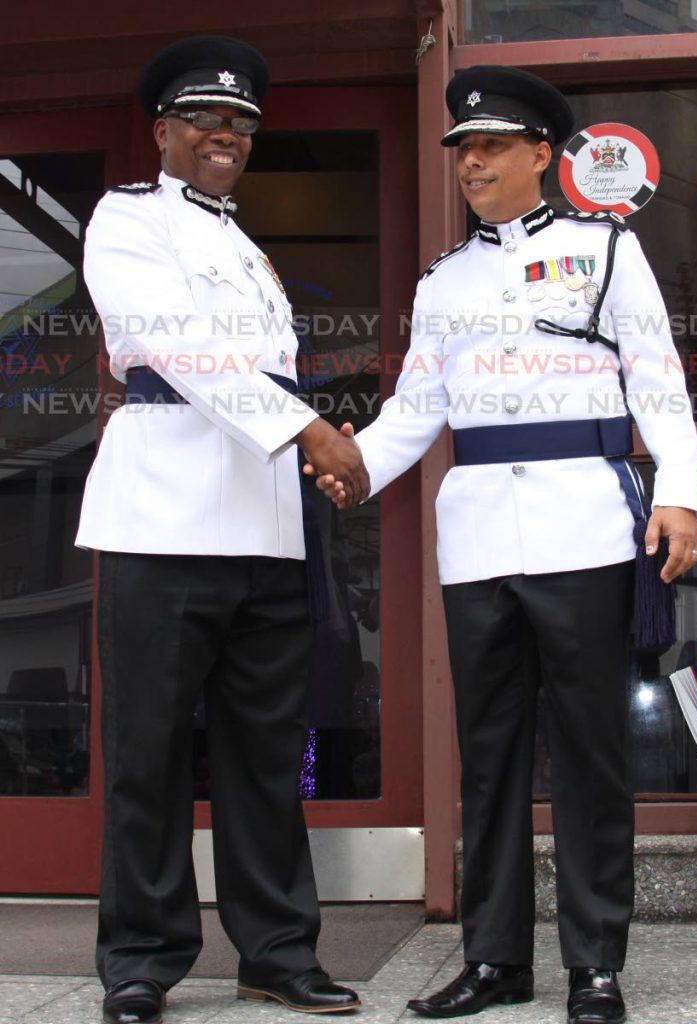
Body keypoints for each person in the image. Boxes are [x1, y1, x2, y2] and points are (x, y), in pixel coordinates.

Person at [310, 66, 697, 1023]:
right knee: (487, 756)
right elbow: (417, 410)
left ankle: (593, 966)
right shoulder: (441, 281)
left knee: (589, 752)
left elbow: (655, 376)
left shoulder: (603, 248)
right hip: (479, 535)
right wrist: (353, 465)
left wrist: (681, 496)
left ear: (541, 154)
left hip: (581, 523)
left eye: (489, 147)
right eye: (462, 150)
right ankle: (494, 960)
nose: (472, 163)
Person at [76, 35, 367, 1024]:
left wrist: (316, 451)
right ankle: (141, 960)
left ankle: (276, 953)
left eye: (240, 122)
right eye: (203, 117)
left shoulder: (249, 250)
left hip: (266, 529)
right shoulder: (126, 220)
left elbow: (259, 379)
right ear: (160, 128)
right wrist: (311, 430)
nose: (225, 134)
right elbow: (177, 348)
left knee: (263, 757)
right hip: (162, 521)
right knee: (149, 752)